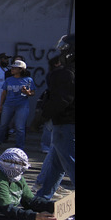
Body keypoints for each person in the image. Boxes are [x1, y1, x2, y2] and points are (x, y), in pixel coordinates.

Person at [34, 34, 75, 200]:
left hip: (66, 124)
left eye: (63, 49)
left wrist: (41, 117)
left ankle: (42, 196)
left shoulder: (66, 73)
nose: (61, 52)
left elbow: (61, 100)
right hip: (67, 125)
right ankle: (42, 198)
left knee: (70, 163)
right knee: (57, 165)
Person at [0, 60, 35, 149]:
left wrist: (28, 93)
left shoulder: (28, 80)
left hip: (22, 105)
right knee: (3, 125)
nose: (12, 69)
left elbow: (32, 92)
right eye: (12, 68)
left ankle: (19, 146)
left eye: (14, 68)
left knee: (20, 127)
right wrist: (1, 105)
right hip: (8, 105)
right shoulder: (8, 79)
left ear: (21, 69)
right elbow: (4, 93)